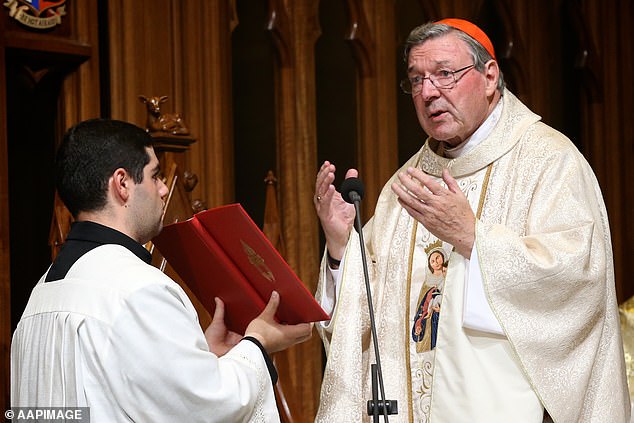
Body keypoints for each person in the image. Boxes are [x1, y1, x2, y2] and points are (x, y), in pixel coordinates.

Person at [313, 18, 630, 423]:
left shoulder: (549, 162)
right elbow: (369, 320)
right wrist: (344, 248)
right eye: (416, 80)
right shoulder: (406, 186)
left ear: (489, 76)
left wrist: (475, 239)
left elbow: (579, 280)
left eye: (445, 74)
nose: (428, 92)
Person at [11, 118, 312, 422]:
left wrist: (202, 355)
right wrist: (258, 342)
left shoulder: (41, 292)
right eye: (154, 176)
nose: (165, 189)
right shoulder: (138, 288)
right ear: (122, 183)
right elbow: (207, 407)